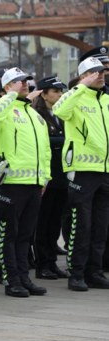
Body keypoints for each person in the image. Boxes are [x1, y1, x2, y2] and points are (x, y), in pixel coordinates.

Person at [0, 68, 51, 298]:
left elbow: (45, 151)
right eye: (17, 82)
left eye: (25, 81)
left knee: (25, 236)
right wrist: (10, 95)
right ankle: (11, 280)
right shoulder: (4, 110)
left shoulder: (34, 115)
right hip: (11, 183)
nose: (24, 85)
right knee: (8, 235)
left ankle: (24, 278)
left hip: (33, 184)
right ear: (6, 87)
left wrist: (45, 177)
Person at [53, 57, 109, 291]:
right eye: (95, 72)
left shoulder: (106, 99)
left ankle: (93, 271)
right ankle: (76, 273)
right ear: (85, 76)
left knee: (100, 226)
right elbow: (59, 109)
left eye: (103, 71)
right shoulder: (76, 96)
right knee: (81, 225)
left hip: (105, 171)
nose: (101, 75)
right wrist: (81, 86)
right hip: (82, 171)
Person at [32, 75, 70, 280]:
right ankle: (42, 264)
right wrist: (63, 141)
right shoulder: (38, 114)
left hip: (61, 177)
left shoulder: (60, 114)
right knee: (43, 223)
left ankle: (52, 262)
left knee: (55, 222)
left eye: (60, 91)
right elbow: (47, 141)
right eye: (55, 91)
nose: (59, 95)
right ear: (44, 94)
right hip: (47, 178)